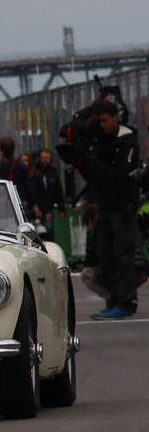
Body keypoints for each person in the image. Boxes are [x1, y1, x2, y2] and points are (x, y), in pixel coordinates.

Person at [74, 99, 141, 319]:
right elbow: (96, 176)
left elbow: (119, 174)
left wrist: (92, 163)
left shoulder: (127, 141)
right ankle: (113, 299)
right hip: (104, 204)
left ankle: (125, 301)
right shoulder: (99, 141)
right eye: (98, 121)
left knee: (122, 254)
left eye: (104, 121)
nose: (101, 126)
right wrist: (83, 162)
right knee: (105, 253)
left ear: (115, 117)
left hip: (123, 205)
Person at [0, 136, 37, 218]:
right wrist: (34, 205)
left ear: (0, 149)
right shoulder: (22, 166)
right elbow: (28, 187)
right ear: (14, 149)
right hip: (19, 203)